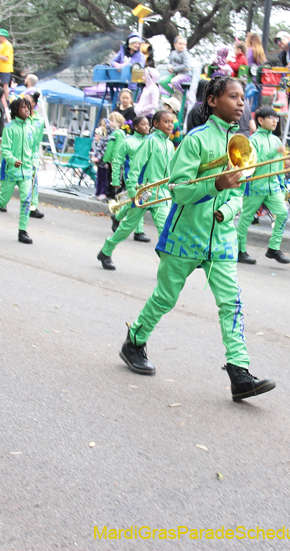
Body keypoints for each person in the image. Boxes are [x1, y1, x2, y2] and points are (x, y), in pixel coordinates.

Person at [118, 77, 276, 401]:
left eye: (243, 98)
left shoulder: (244, 143)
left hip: (221, 240)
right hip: (185, 236)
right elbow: (179, 190)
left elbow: (239, 194)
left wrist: (226, 210)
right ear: (213, 99)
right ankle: (134, 341)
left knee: (231, 302)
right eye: (233, 96)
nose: (241, 103)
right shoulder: (195, 140)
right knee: (165, 298)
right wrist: (213, 185)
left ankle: (239, 372)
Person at [97, 110, 175, 270]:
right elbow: (135, 167)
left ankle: (166, 267)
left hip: (163, 195)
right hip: (145, 193)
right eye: (166, 122)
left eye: (172, 122)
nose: (170, 125)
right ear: (156, 124)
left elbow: (171, 171)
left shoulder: (169, 144)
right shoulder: (150, 141)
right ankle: (106, 250)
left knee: (166, 230)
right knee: (126, 227)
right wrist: (132, 191)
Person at [0, 96, 39, 244]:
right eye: (23, 107)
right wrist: (13, 160)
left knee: (26, 200)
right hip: (10, 171)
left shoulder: (32, 129)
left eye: (28, 108)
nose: (27, 110)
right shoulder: (9, 128)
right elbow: (5, 150)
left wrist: (34, 162)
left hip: (26, 172)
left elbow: (34, 150)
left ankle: (22, 231)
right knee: (3, 200)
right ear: (15, 110)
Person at [236, 106, 290, 265]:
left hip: (273, 187)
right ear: (260, 120)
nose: (275, 121)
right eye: (271, 118)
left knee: (283, 213)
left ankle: (274, 248)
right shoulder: (252, 140)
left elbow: (280, 165)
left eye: (276, 118)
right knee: (245, 218)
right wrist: (274, 152)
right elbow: (252, 163)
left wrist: (282, 184)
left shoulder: (276, 140)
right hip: (255, 186)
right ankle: (240, 250)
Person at [109, 115, 152, 241]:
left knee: (137, 203)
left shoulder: (151, 141)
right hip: (132, 179)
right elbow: (117, 162)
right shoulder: (127, 142)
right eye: (143, 124)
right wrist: (116, 180)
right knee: (138, 203)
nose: (147, 127)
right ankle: (138, 231)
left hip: (147, 179)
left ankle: (117, 217)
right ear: (136, 127)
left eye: (148, 124)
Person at [22, 91, 45, 219]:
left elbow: (38, 139)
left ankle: (33, 206)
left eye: (28, 101)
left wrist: (34, 154)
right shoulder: (20, 118)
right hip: (18, 152)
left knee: (33, 180)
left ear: (34, 104)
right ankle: (3, 201)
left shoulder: (39, 120)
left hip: (32, 154)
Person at [0, 28, 14, 103]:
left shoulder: (7, 45)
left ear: (3, 36)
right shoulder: (1, 45)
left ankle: (6, 100)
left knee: (4, 85)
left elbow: (6, 58)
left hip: (5, 68)